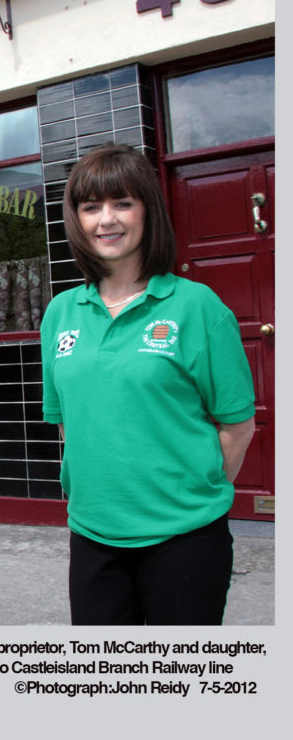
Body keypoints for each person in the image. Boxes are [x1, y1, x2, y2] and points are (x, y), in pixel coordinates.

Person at [41, 143, 256, 625]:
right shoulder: (60, 314)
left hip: (184, 538)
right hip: (93, 534)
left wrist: (185, 493)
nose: (106, 220)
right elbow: (66, 425)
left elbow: (237, 426)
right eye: (90, 206)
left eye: (122, 203)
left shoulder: (197, 306)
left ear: (147, 210)